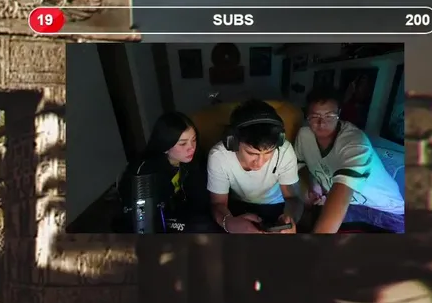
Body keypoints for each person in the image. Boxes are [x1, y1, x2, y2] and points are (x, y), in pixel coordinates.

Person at [296, 86, 406, 233]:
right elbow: (301, 164)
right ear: (307, 115)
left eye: (329, 116)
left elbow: (343, 190)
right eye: (315, 116)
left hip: (386, 210)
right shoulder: (304, 136)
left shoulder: (355, 143)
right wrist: (313, 183)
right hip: (352, 205)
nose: (322, 123)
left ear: (339, 113)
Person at [206, 100, 302, 234]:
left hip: (277, 206)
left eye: (268, 153)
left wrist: (289, 219)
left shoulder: (284, 151)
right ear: (232, 142)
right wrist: (229, 223)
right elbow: (218, 204)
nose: (260, 162)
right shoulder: (219, 156)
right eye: (252, 153)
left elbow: (293, 198)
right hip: (238, 205)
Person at [116, 111, 212, 232]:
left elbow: (200, 198)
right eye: (183, 144)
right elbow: (143, 219)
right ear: (165, 145)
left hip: (182, 213)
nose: (191, 147)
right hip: (154, 223)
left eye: (194, 139)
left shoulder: (193, 159)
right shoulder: (145, 172)